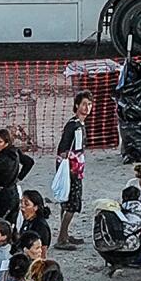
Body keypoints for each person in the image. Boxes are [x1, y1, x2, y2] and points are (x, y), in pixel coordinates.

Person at [52, 93, 92, 249]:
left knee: (67, 202)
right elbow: (64, 149)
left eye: (89, 104)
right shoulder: (74, 125)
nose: (87, 107)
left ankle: (65, 234)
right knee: (72, 203)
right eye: (84, 104)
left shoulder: (77, 124)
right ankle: (62, 238)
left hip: (73, 167)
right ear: (76, 106)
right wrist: (69, 169)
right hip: (72, 168)